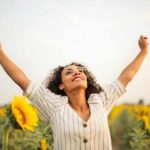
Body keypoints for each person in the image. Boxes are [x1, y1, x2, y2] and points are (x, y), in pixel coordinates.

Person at [0, 35, 149, 150]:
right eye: (69, 72)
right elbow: (21, 80)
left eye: (80, 71)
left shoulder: (101, 101)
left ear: (86, 79)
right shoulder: (53, 105)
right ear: (61, 85)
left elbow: (126, 77)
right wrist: (0, 53)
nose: (77, 73)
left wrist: (143, 51)